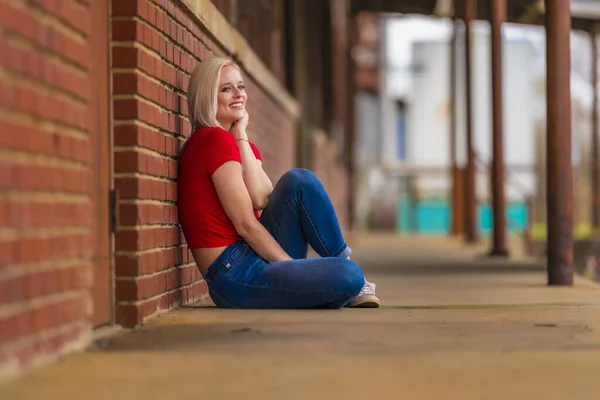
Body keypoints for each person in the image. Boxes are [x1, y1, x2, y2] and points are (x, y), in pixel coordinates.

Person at [178, 56, 380, 309]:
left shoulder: (237, 144)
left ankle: (344, 272)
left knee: (299, 181)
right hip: (234, 274)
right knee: (348, 275)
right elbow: (246, 226)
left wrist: (240, 135)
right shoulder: (212, 140)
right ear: (207, 96)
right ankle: (344, 281)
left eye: (241, 86)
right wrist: (292, 268)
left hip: (253, 256)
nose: (238, 94)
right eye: (226, 89)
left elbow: (262, 197)